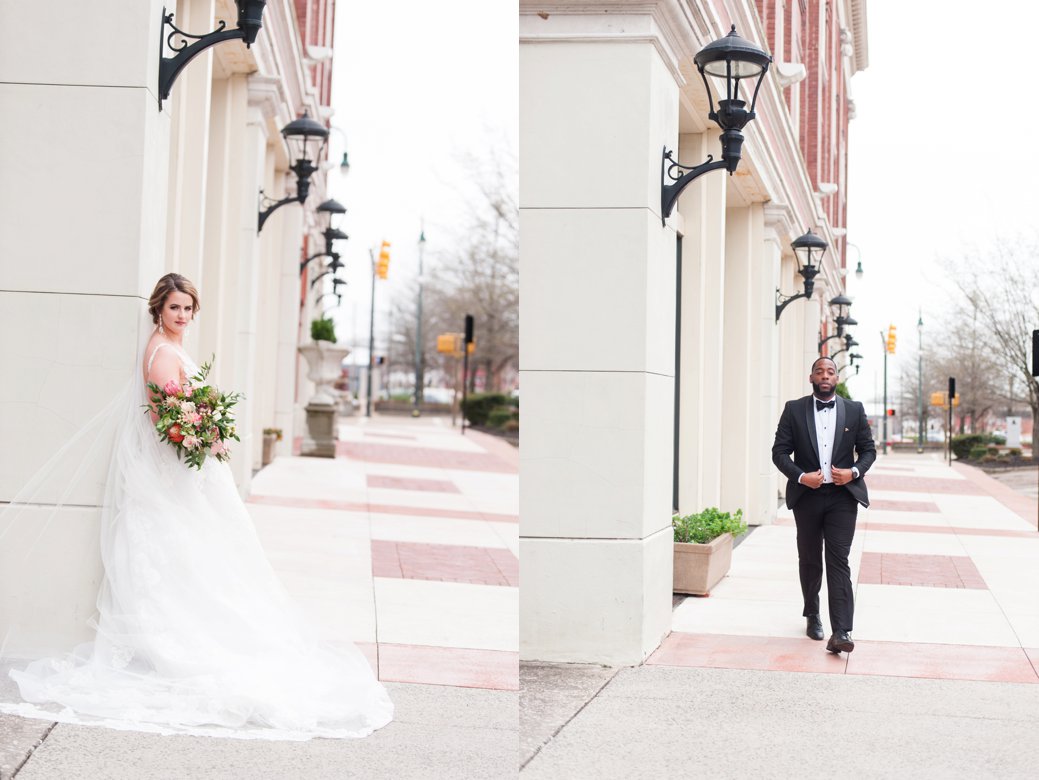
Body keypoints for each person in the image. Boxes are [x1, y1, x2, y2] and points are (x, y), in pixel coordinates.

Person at [0, 273, 393, 739]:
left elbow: (182, 410)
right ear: (158, 310)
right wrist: (204, 435)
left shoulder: (168, 346)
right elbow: (167, 419)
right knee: (192, 555)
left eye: (188, 308)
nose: (183, 316)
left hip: (185, 471)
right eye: (175, 308)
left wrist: (206, 428)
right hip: (174, 475)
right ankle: (183, 645)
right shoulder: (164, 353)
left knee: (206, 555)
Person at [771, 356, 875, 654]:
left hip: (843, 497)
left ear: (836, 379)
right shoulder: (794, 409)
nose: (825, 376)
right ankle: (812, 613)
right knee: (810, 558)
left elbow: (868, 450)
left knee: (838, 560)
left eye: (830, 371)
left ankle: (841, 631)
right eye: (820, 371)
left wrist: (854, 472)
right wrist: (801, 477)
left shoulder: (854, 410)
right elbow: (779, 452)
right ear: (811, 378)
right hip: (808, 496)